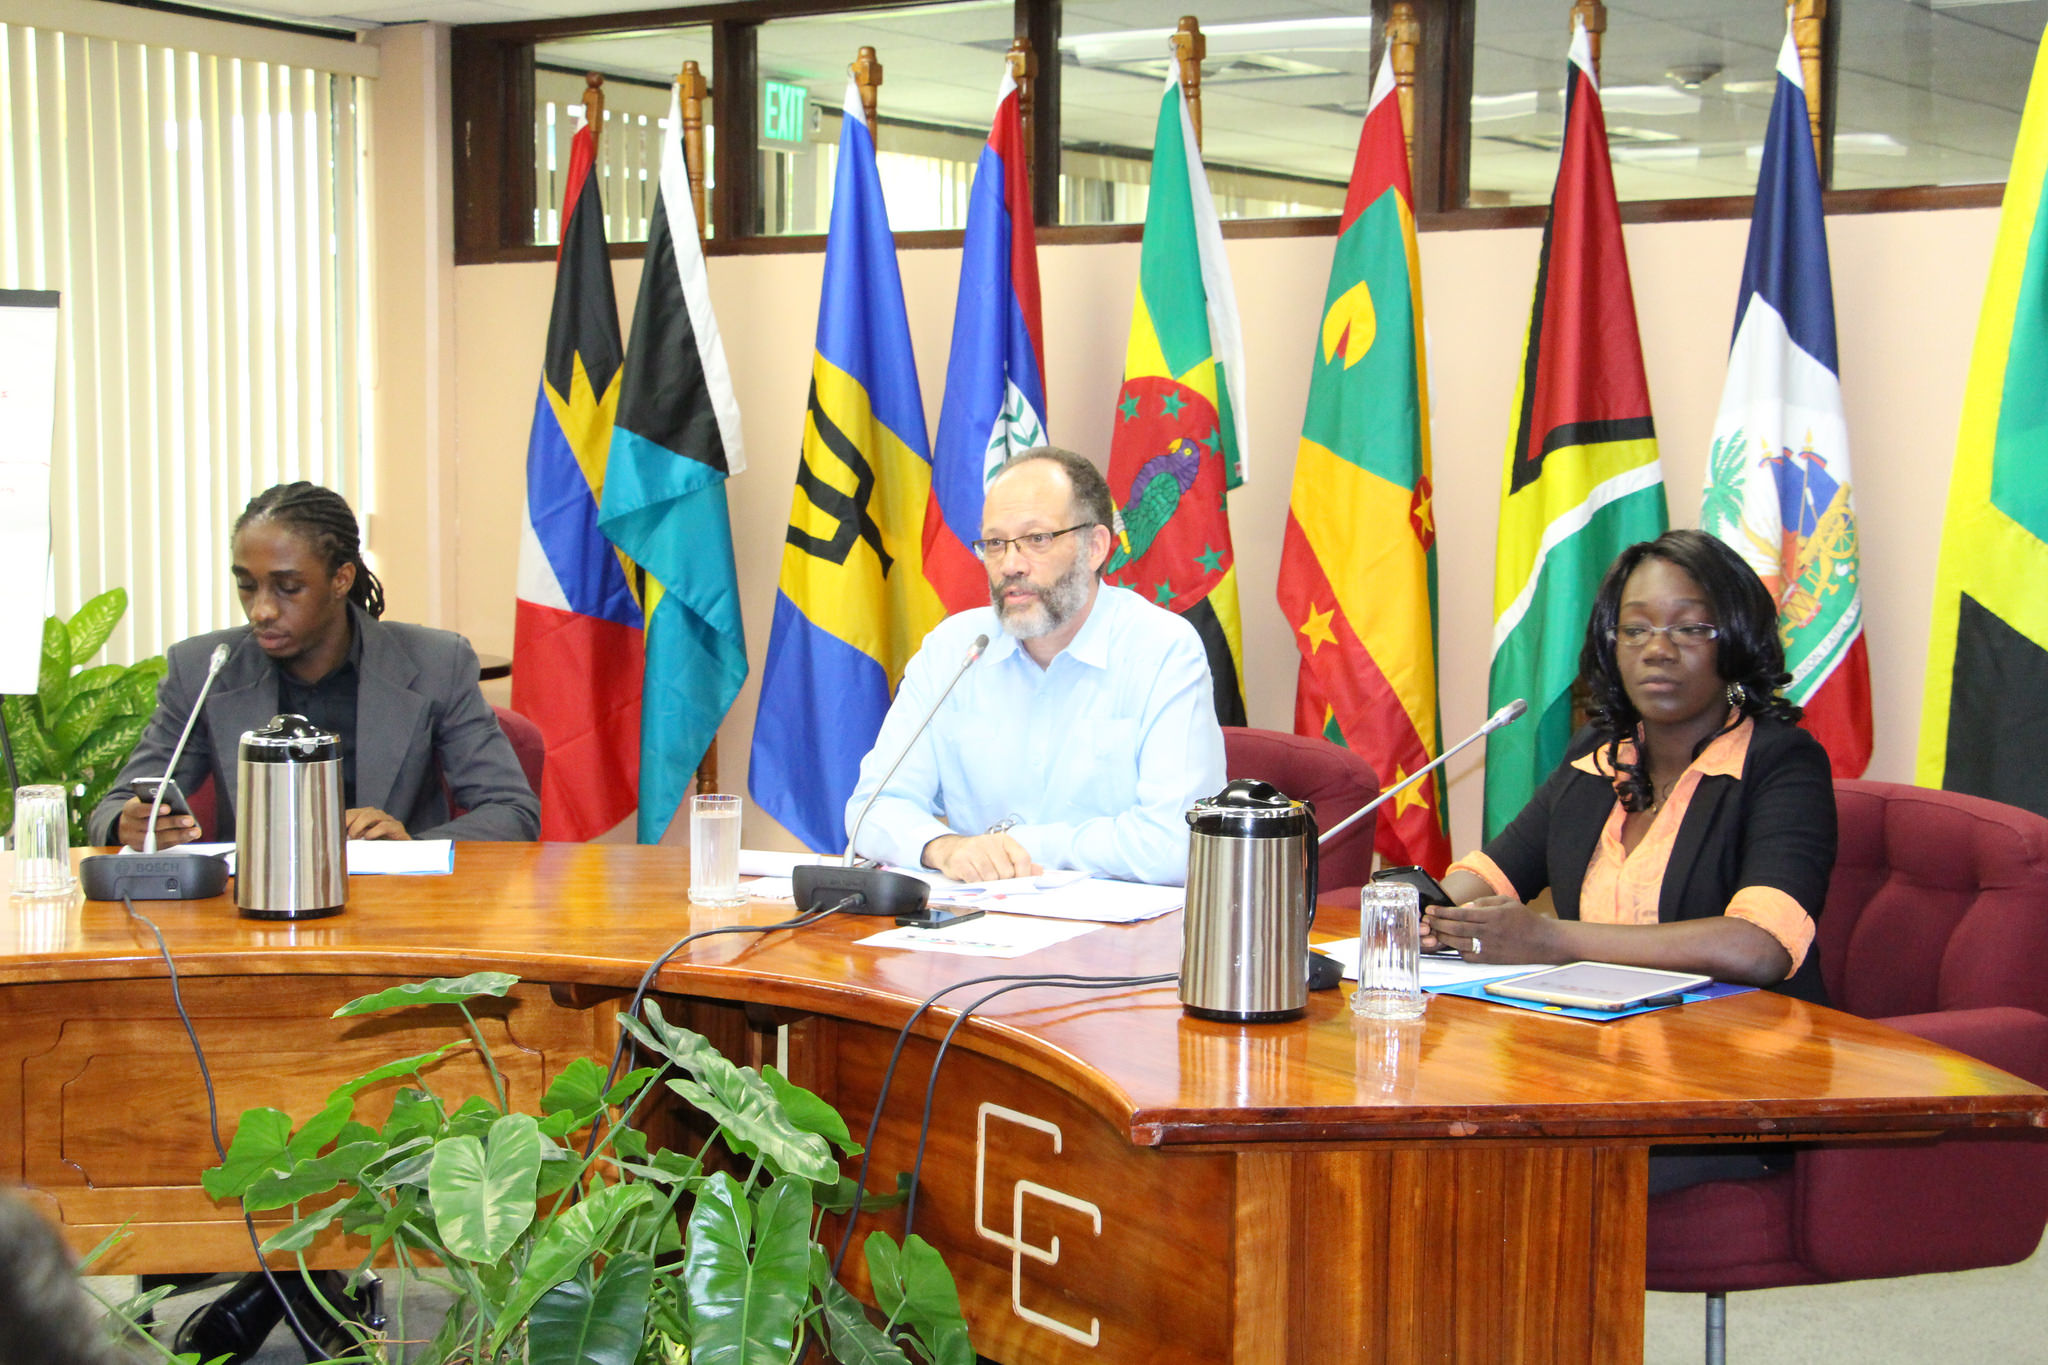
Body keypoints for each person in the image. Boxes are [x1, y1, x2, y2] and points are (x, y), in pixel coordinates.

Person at [1428, 529, 1836, 1004]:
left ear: (1738, 641)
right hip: (1596, 1043)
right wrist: (1428, 912)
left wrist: (1552, 939)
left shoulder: (1782, 762)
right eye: (1635, 629)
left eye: (1689, 629)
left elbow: (1760, 945)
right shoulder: (1600, 754)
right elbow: (1494, 871)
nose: (1657, 649)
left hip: (1741, 1049)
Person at [844, 447, 1226, 886]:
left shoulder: (1163, 651)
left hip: (1118, 938)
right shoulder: (955, 650)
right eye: (994, 543)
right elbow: (871, 809)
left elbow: (1178, 844)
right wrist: (944, 848)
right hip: (980, 930)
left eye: (1037, 539)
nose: (1010, 564)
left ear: (1095, 547)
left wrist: (1018, 847)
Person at [89, 482, 539, 848]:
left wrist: (411, 846)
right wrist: (126, 824)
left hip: (396, 913)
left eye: (287, 587)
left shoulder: (436, 662)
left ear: (341, 578)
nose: (261, 609)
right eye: (247, 586)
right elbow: (113, 809)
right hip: (250, 920)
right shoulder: (205, 669)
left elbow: (511, 812)